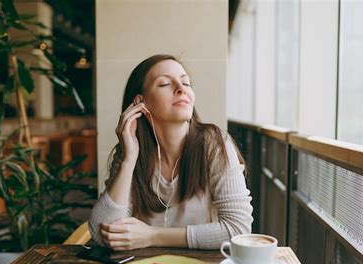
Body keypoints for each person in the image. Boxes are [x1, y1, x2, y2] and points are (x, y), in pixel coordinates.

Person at [89, 54, 253, 250]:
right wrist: (129, 159)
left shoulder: (214, 143)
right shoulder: (130, 151)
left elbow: (238, 229)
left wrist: (153, 236)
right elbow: (101, 234)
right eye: (165, 84)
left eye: (186, 82)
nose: (181, 88)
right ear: (140, 103)